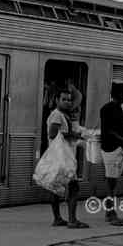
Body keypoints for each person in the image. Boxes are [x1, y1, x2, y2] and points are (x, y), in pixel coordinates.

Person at [47, 89, 87, 229]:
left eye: (69, 100)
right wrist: (74, 135)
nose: (67, 102)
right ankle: (72, 220)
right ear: (57, 100)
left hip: (60, 157)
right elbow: (53, 134)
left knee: (56, 189)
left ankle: (58, 218)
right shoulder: (57, 115)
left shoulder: (62, 115)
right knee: (73, 187)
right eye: (64, 99)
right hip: (63, 157)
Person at [100, 83, 123, 226]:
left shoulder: (119, 108)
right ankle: (110, 214)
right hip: (111, 149)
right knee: (111, 184)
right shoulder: (108, 109)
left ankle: (110, 212)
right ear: (117, 94)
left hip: (117, 148)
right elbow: (108, 130)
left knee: (112, 183)